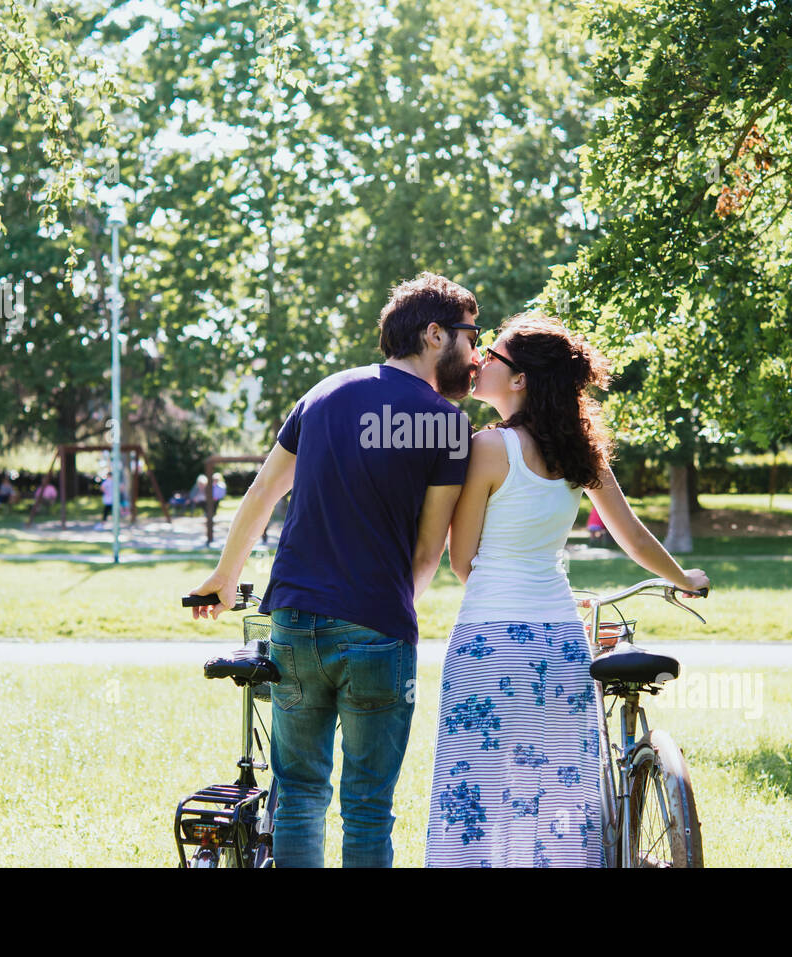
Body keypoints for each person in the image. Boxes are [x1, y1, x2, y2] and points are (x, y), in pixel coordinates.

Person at [190, 271, 480, 868]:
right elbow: (428, 554)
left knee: (297, 796)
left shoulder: (323, 395)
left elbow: (264, 491)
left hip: (294, 622)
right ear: (434, 334)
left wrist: (224, 575)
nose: (475, 355)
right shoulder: (450, 425)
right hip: (378, 627)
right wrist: (388, 608)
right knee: (368, 807)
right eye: (470, 337)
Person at [424, 313, 709, 868]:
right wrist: (684, 579)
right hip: (558, 643)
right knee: (554, 797)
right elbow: (633, 534)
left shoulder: (487, 449)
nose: (479, 360)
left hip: (489, 644)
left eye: (494, 356)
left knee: (476, 795)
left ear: (520, 379)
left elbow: (463, 562)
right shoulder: (580, 454)